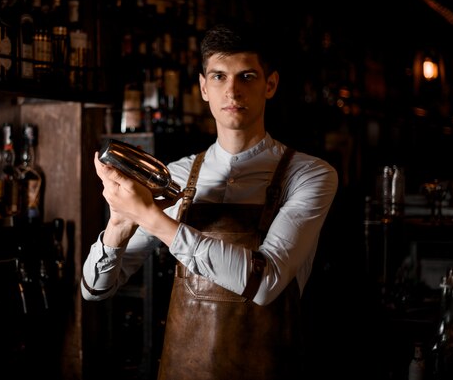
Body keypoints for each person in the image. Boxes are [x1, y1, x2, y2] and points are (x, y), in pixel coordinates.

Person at [81, 21, 339, 380]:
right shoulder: (177, 175)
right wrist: (120, 222)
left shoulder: (309, 174)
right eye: (218, 77)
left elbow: (264, 284)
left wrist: (151, 217)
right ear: (203, 87)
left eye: (246, 76)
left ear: (271, 85)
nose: (231, 90)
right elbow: (95, 289)